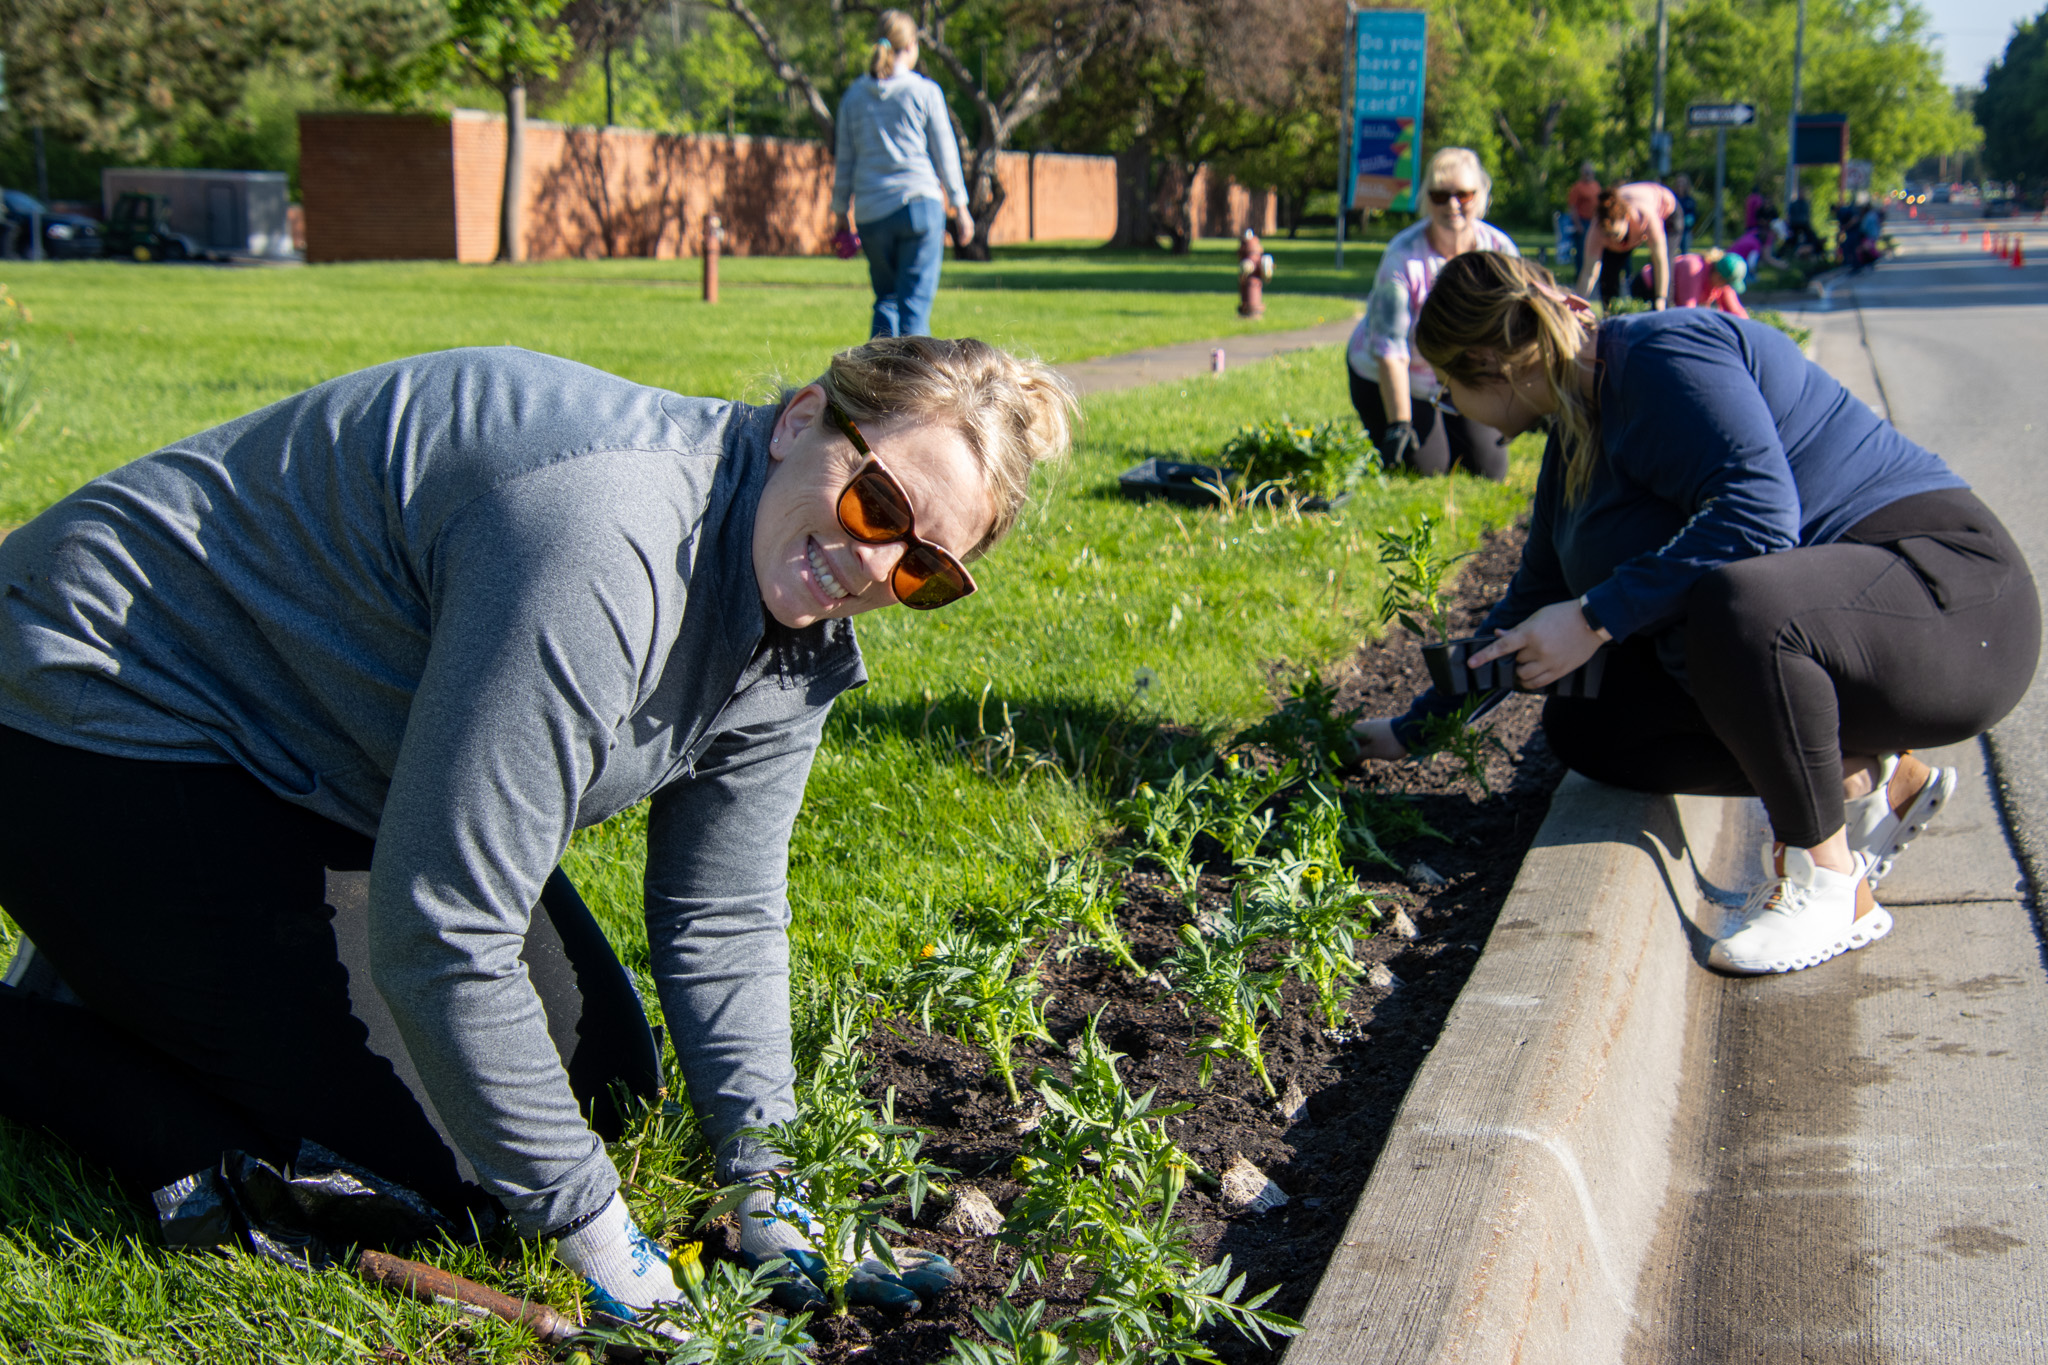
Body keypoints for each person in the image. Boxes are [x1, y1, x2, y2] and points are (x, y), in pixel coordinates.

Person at [0, 338, 1075, 1320]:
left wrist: (768, 1184)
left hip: (327, 766)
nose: (871, 564)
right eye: (878, 502)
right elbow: (442, 933)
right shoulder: (603, 540)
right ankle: (52, 1016)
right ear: (800, 420)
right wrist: (595, 1235)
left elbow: (724, 910)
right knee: (452, 1177)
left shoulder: (795, 621)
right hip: (103, 704)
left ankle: (137, 953)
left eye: (925, 568)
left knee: (605, 1084)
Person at [1352, 253, 2039, 976]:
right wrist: (1407, 731)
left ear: (1491, 361)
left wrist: (1591, 617)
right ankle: (1861, 777)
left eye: (1451, 388)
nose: (1453, 409)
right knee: (1593, 723)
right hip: (1846, 635)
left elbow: (1761, 516)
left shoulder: (1657, 355)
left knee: (1735, 599)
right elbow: (1531, 600)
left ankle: (1831, 883)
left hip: (1953, 601)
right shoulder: (1574, 430)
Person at [1346, 147, 1519, 481]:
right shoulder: (1403, 256)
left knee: (1489, 469)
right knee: (1428, 468)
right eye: (1440, 196)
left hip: (1460, 375)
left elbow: (1517, 327)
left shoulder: (1499, 251)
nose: (1452, 205)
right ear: (1427, 200)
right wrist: (1400, 423)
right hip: (1398, 374)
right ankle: (1400, 424)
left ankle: (1449, 425)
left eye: (1463, 195)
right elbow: (1390, 348)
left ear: (1481, 196)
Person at [831, 10, 974, 338]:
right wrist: (960, 207)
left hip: (871, 213)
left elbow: (845, 162)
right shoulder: (924, 92)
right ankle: (916, 388)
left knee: (887, 301)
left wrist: (840, 211)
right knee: (915, 308)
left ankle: (872, 384)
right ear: (911, 45)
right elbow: (945, 154)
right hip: (918, 207)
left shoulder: (853, 97)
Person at [1576, 180, 1681, 308]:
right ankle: (1610, 313)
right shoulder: (1597, 229)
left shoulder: (1645, 215)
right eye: (1608, 235)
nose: (1612, 241)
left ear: (1626, 218)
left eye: (1615, 235)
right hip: (1630, 223)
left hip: (1667, 211)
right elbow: (1588, 272)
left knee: (1662, 271)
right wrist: (1577, 304)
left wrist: (1660, 298)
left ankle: (1664, 310)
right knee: (1608, 273)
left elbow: (1660, 260)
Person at [1633, 247, 1747, 317]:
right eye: (1727, 283)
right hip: (1647, 287)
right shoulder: (1694, 269)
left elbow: (1736, 311)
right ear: (1718, 276)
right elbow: (1687, 311)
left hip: (1670, 298)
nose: (1727, 287)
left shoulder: (1722, 282)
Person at [1566, 162, 1602, 264]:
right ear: (1582, 173)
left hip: (1594, 221)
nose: (1588, 174)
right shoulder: (1577, 187)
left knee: (1595, 248)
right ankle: (1580, 274)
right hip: (1583, 221)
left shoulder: (1596, 185)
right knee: (1582, 249)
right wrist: (1578, 224)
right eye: (1586, 172)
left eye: (1590, 172)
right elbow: (1572, 207)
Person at [1672, 173, 1699, 254]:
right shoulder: (1672, 198)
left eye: (1683, 182)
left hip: (1685, 231)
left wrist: (1685, 222)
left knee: (1685, 253)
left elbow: (1692, 216)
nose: (1680, 185)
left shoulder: (1690, 200)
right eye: (1679, 182)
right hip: (1672, 231)